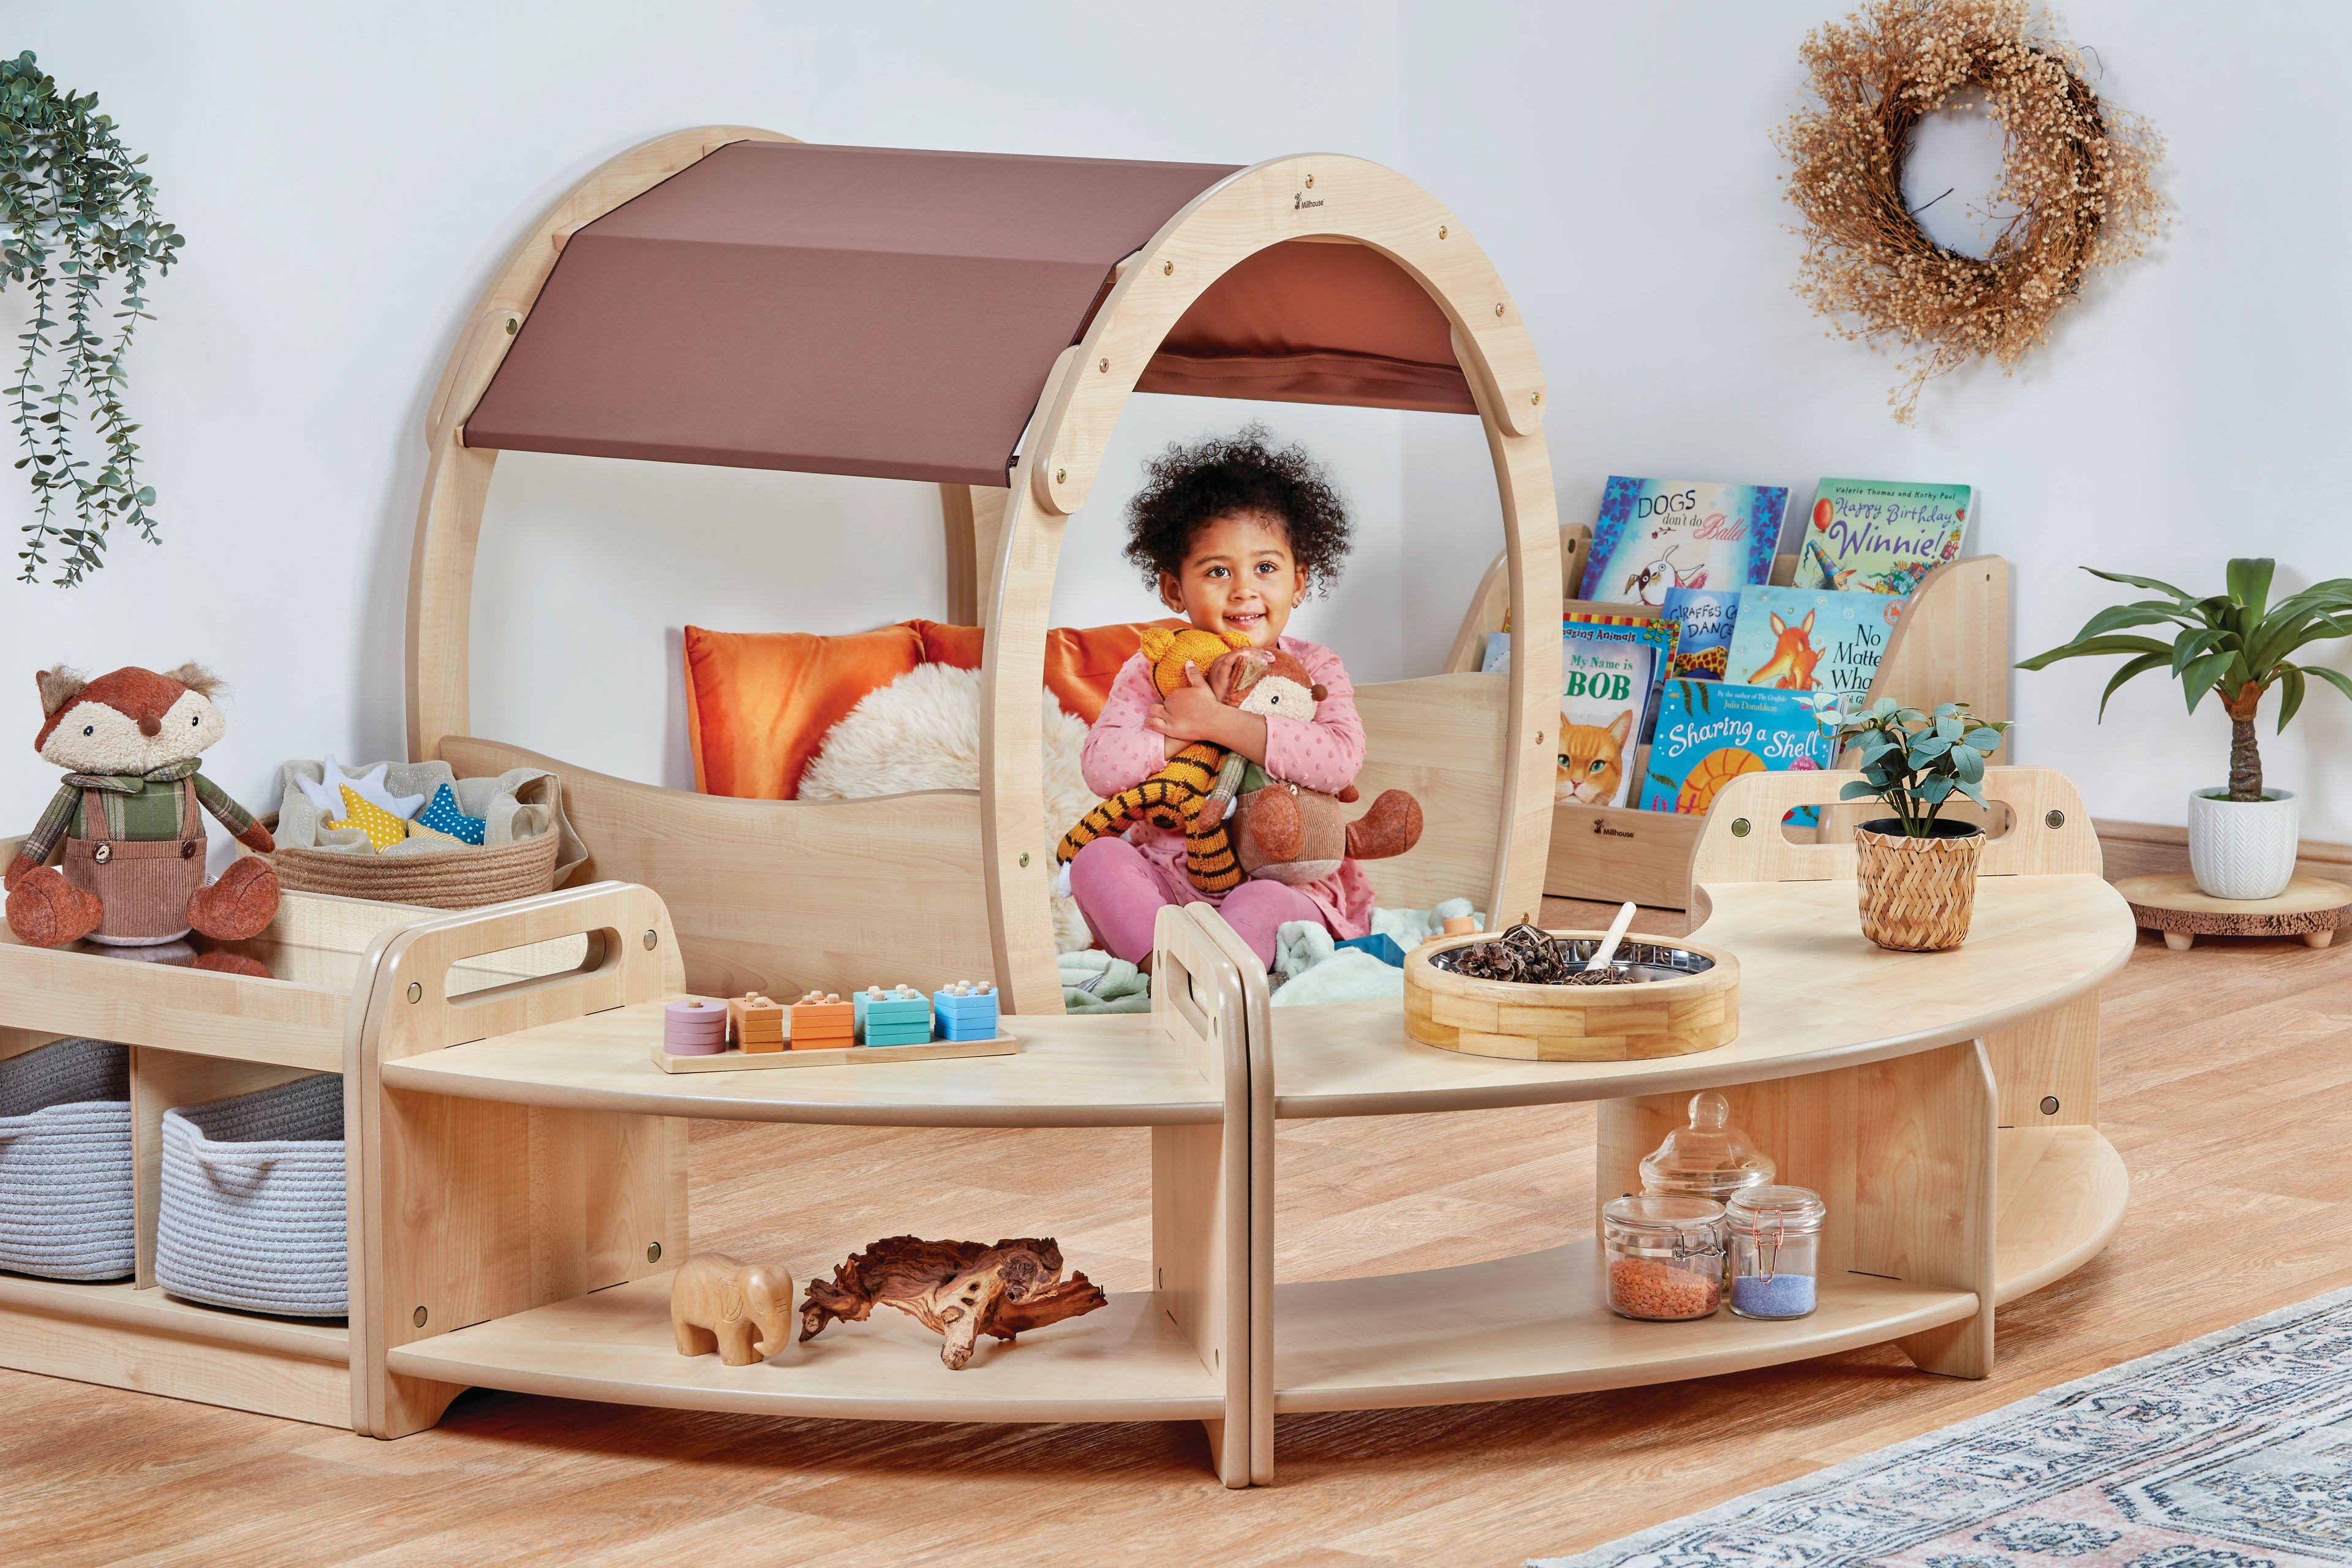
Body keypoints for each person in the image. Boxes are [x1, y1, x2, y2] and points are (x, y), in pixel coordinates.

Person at [1069, 424, 1371, 970]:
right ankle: (1167, 974)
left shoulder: (1316, 666)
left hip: (1278, 879)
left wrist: (1212, 722)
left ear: (1299, 581)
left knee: (1258, 903)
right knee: (1098, 859)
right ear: (1174, 589)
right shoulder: (1153, 668)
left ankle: (1218, 982)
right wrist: (1175, 736)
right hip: (1172, 881)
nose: (1243, 589)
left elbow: (1338, 760)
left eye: (1265, 568)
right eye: (1216, 571)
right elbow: (1101, 768)